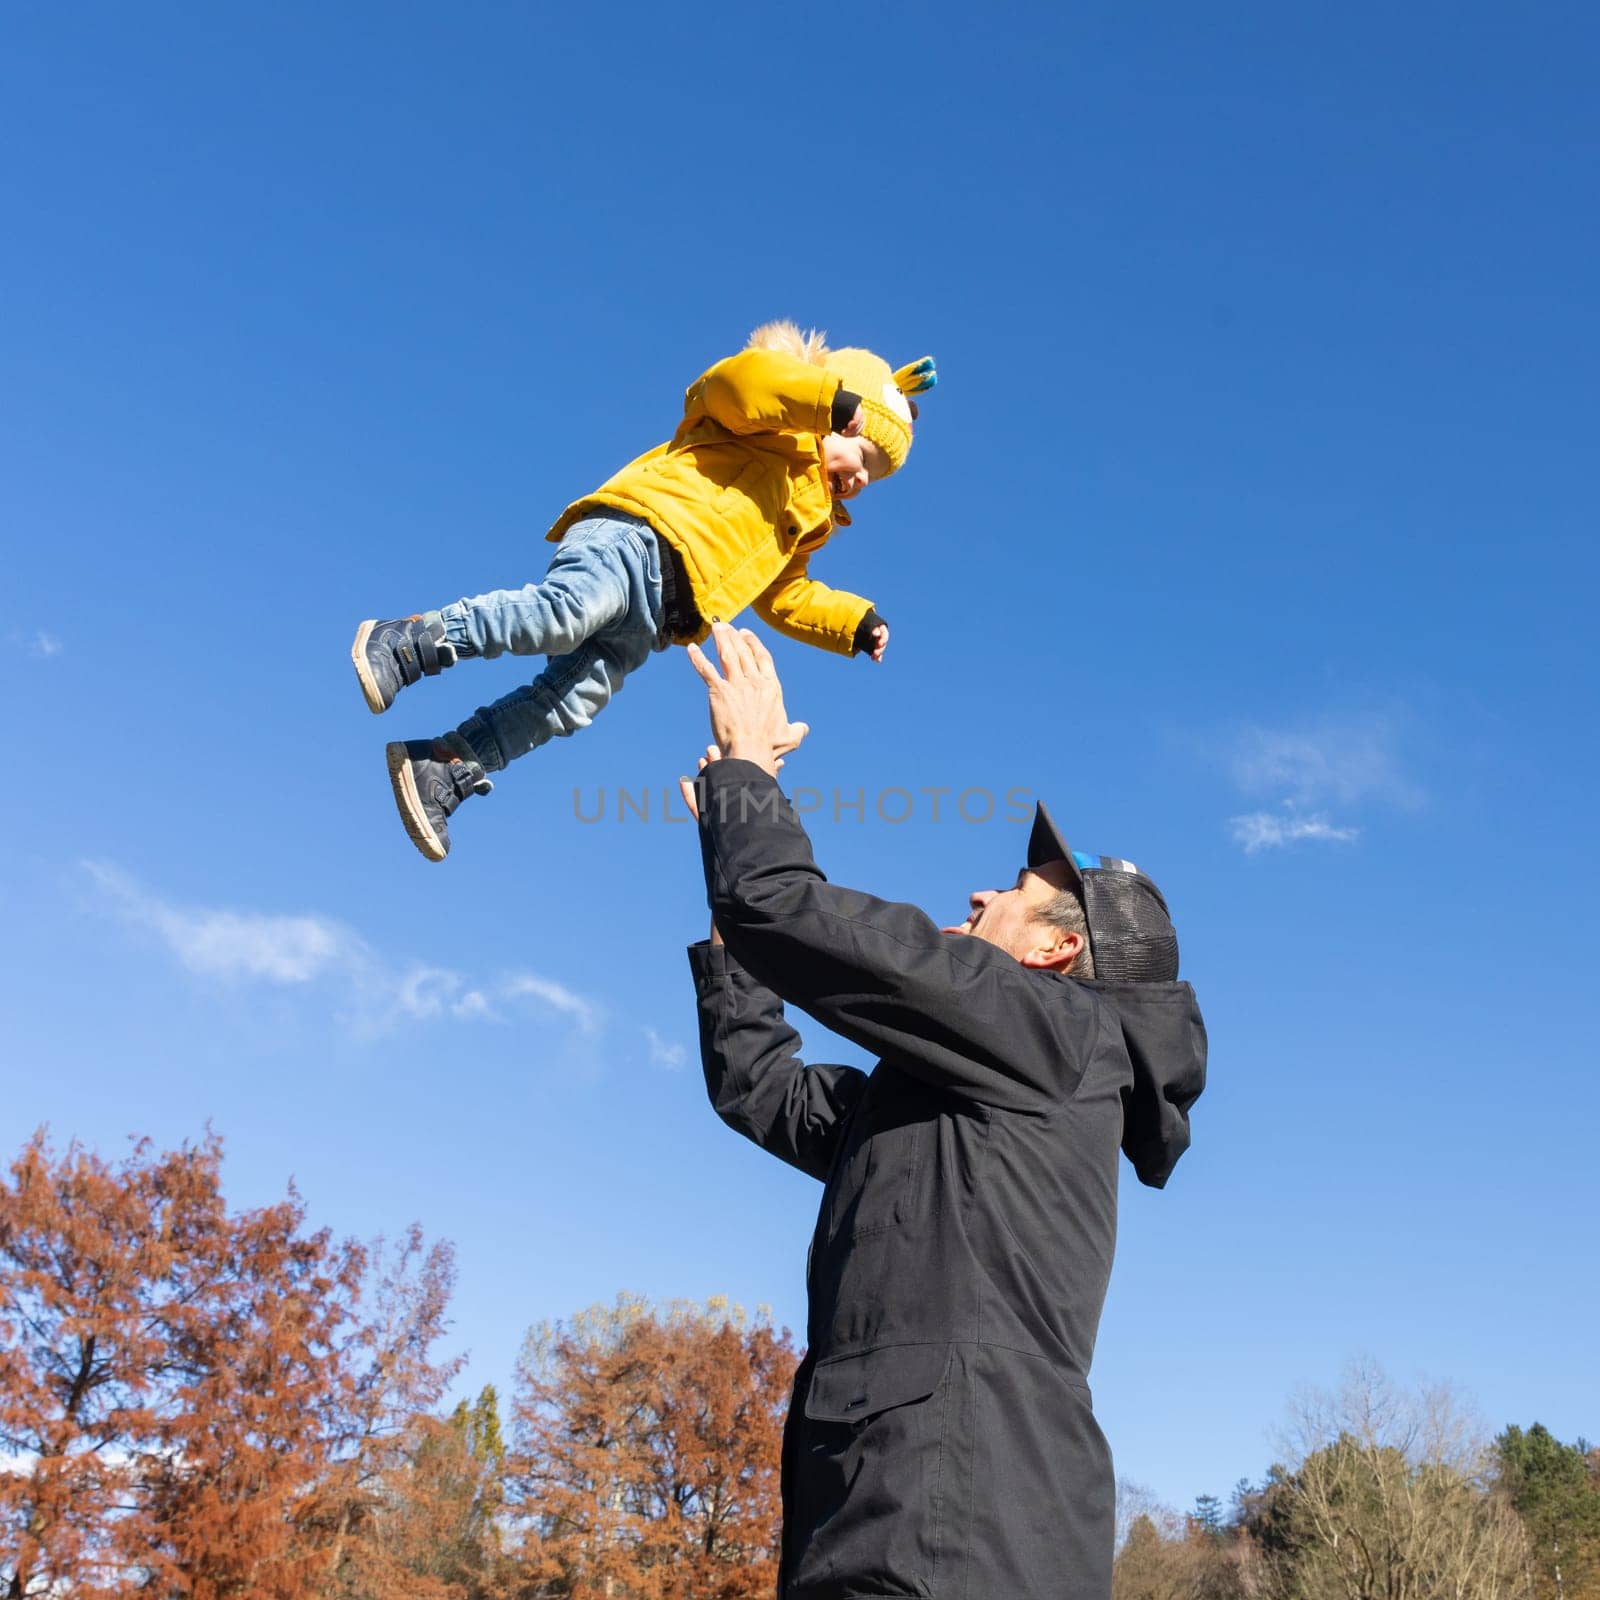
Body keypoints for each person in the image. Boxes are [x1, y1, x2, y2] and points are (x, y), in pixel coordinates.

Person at [681, 622, 1208, 1599]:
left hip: (948, 1525)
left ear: (1055, 954)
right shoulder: (953, 1094)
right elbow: (761, 1087)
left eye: (1012, 888)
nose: (978, 888)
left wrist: (748, 772)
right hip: (908, 1514)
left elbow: (788, 906)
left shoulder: (1058, 1031)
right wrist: (733, 925)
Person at [349, 322, 936, 860]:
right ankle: (410, 642)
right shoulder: (765, 425)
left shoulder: (806, 522)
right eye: (861, 455)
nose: (858, 479)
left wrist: (853, 623)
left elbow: (785, 597)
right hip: (635, 541)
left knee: (572, 701)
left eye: (871, 480)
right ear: (832, 409)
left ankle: (444, 764)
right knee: (564, 614)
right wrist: (821, 398)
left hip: (659, 622)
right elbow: (738, 384)